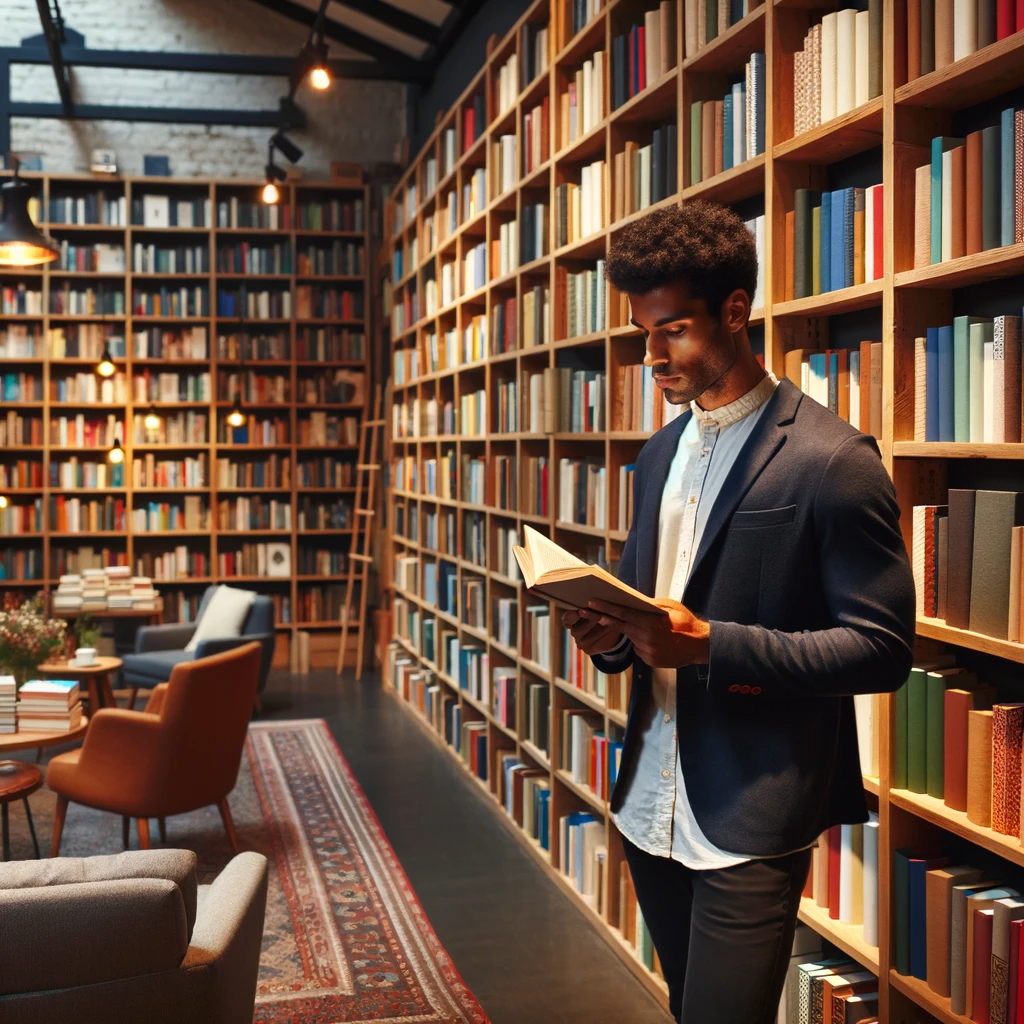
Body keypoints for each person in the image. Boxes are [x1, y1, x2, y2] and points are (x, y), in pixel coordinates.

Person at [562, 201, 915, 1024]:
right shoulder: (658, 454)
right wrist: (605, 636)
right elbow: (641, 604)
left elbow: (880, 648)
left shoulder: (833, 460)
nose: (652, 357)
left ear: (734, 311)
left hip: (751, 808)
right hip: (649, 799)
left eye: (673, 330)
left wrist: (712, 644)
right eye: (643, 333)